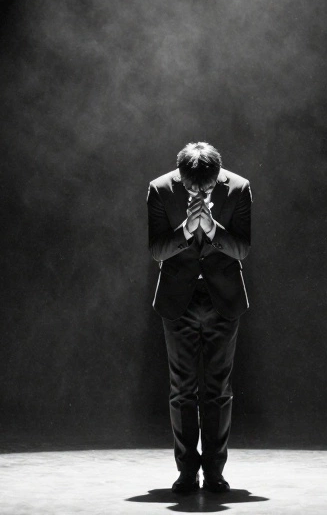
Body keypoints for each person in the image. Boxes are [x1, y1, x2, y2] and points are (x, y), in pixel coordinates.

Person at [146, 141, 252, 494]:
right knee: (181, 390)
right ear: (181, 177)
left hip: (223, 299)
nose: (199, 192)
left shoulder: (239, 188)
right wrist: (188, 230)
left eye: (205, 188)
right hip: (179, 303)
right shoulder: (160, 189)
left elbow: (242, 249)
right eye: (192, 187)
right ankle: (187, 472)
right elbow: (157, 250)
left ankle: (216, 472)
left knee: (219, 390)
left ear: (217, 177)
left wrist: (213, 227)